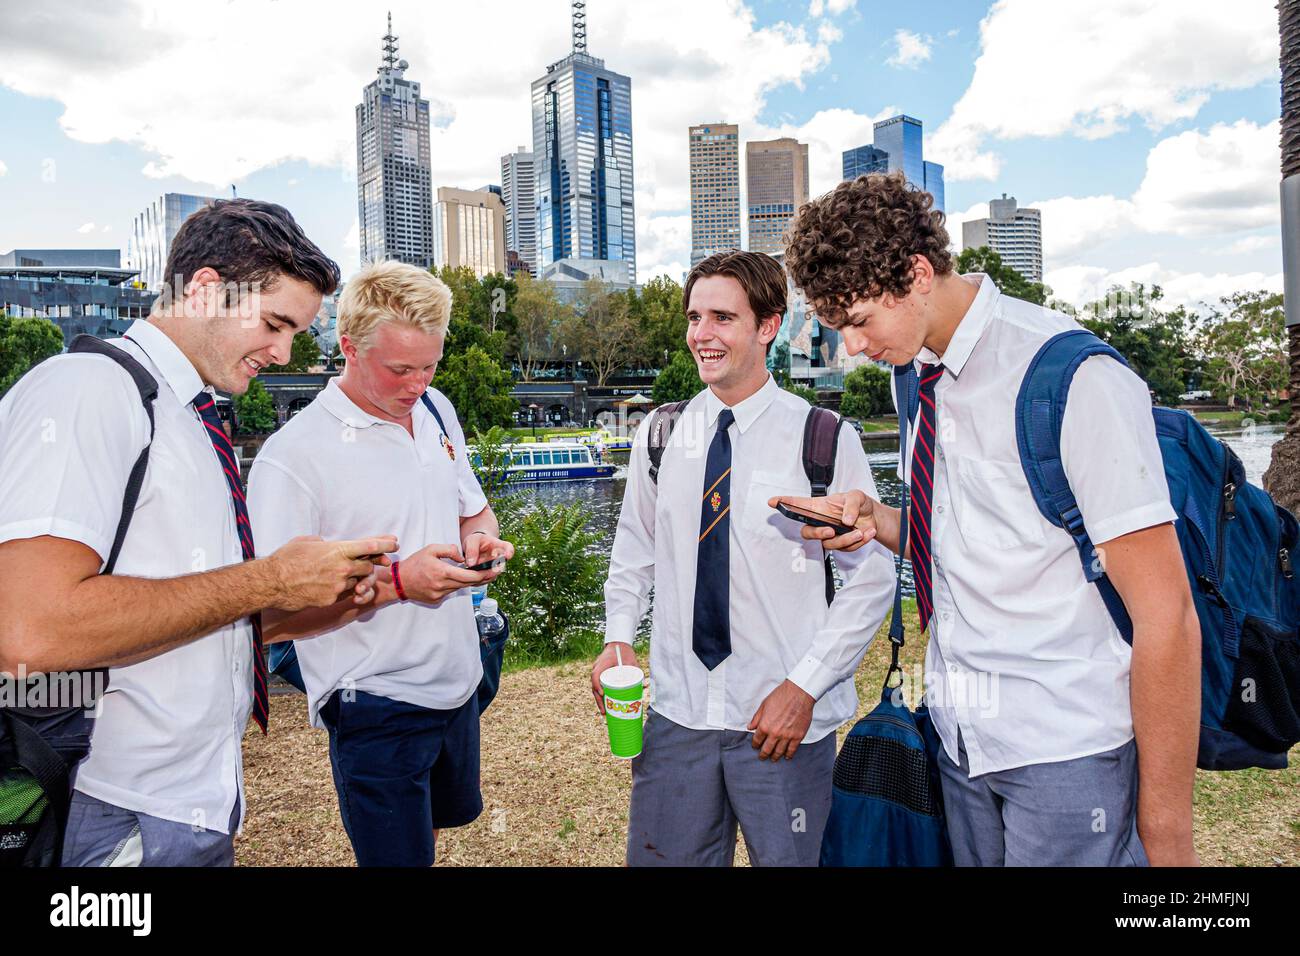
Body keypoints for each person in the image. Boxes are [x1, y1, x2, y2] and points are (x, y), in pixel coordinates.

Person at [777, 172, 1201, 866]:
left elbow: (1168, 615)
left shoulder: (1072, 377)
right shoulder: (915, 372)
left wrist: (1167, 830)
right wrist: (877, 519)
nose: (850, 346)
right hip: (957, 740)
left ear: (916, 275)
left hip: (1067, 748)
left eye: (857, 322)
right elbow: (974, 532)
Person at [0, 198, 395, 867]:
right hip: (113, 810)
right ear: (207, 289)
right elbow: (31, 632)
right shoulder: (88, 390)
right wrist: (270, 577)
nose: (285, 351)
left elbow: (169, 614)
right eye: (274, 324)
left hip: (191, 804)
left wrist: (310, 604)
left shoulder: (190, 416)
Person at [591, 250, 896, 866]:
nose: (701, 335)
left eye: (722, 318)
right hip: (677, 716)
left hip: (781, 723)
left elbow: (873, 579)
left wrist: (804, 688)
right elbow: (634, 549)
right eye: (694, 317)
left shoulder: (825, 439)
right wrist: (618, 637)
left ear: (768, 326)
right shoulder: (659, 433)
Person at [247, 260, 513, 867]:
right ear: (348, 347)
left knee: (431, 837)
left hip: (456, 682)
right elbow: (268, 617)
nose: (417, 383)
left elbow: (474, 511)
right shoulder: (295, 458)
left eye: (430, 365)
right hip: (373, 700)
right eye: (400, 368)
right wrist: (399, 584)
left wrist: (481, 543)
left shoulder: (438, 410)